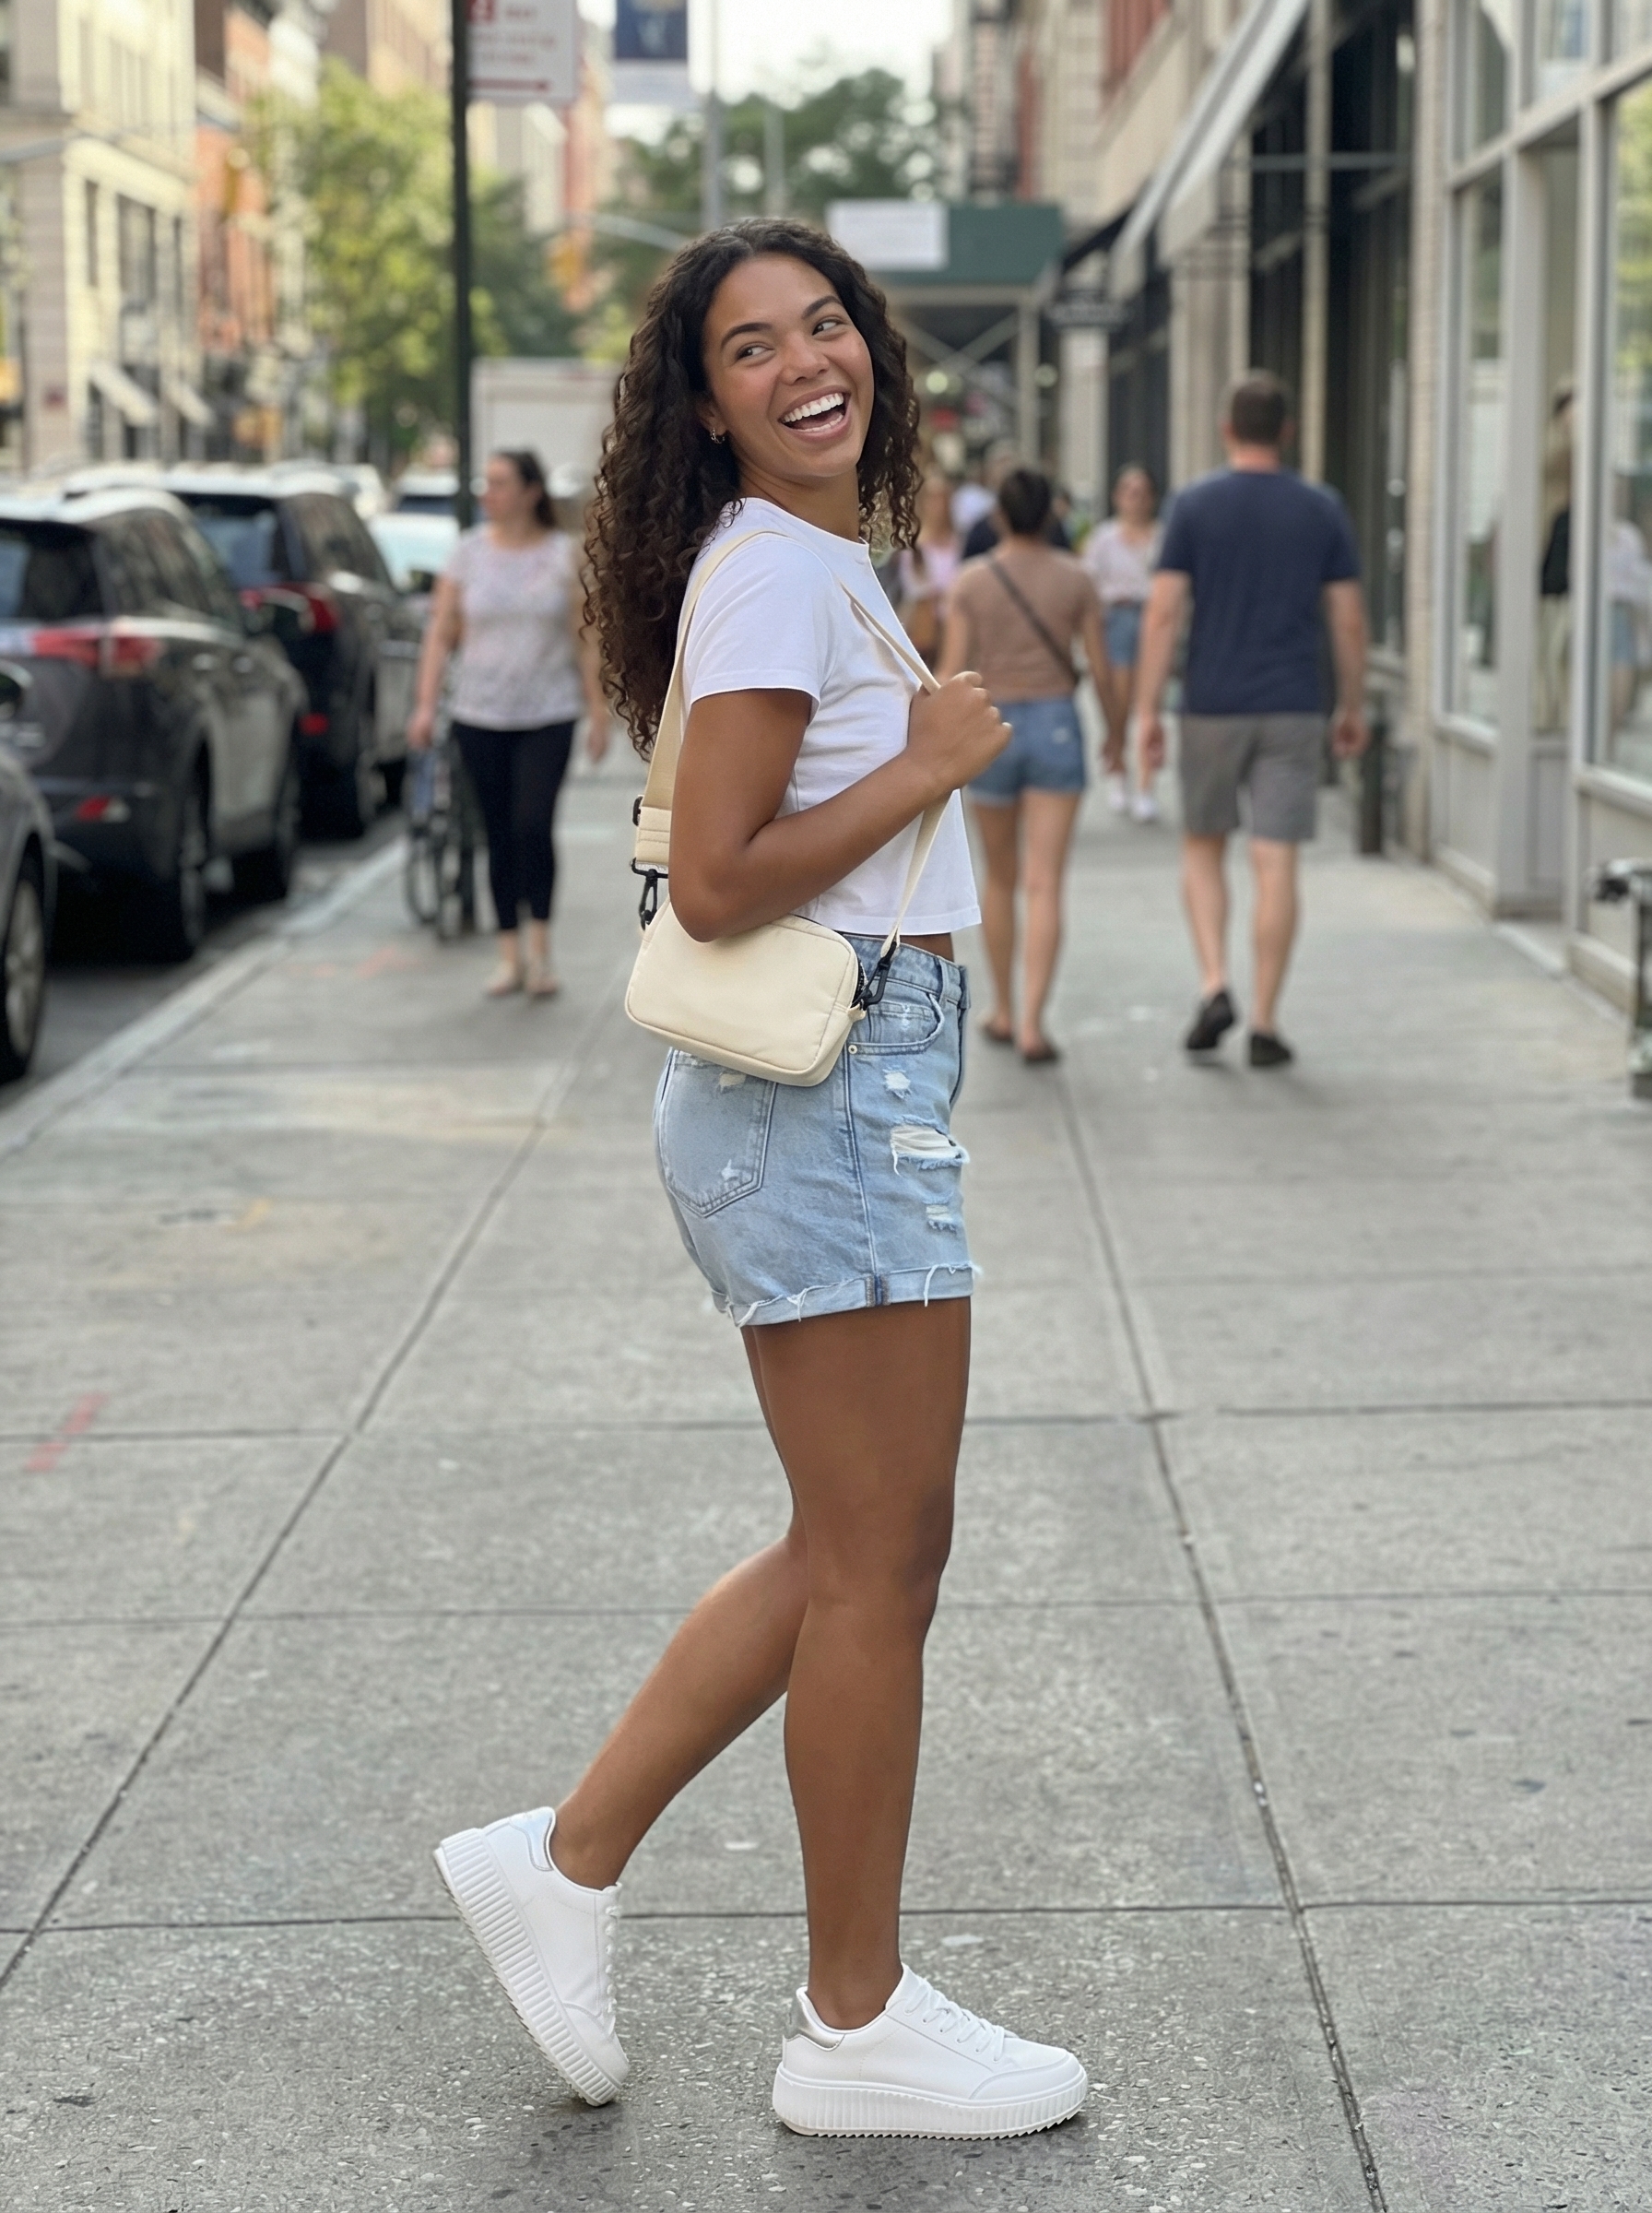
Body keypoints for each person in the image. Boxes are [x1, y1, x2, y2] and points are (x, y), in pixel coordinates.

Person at [432, 220, 1089, 2143]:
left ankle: (563, 1863)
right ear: (702, 403)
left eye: (825, 326)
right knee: (880, 1565)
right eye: (751, 346)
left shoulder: (794, 565)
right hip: (823, 1097)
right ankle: (852, 2023)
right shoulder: (780, 578)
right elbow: (717, 875)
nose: (807, 362)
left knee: (845, 1547)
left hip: (826, 1096)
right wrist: (937, 756)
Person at [1134, 373, 1368, 1067]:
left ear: (1227, 429)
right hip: (1294, 703)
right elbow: (1349, 619)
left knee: (1204, 847)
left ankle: (1215, 983)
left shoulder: (1195, 506)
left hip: (1210, 702)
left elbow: (1163, 612)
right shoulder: (1321, 508)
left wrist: (1146, 709)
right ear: (1287, 431)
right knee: (1276, 861)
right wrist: (1351, 703)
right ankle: (1265, 1022)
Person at [407, 448, 609, 998]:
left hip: (548, 711)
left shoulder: (562, 556)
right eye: (485, 483)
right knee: (497, 834)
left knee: (532, 826)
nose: (487, 493)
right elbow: (440, 634)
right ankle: (508, 955)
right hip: (480, 713)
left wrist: (597, 709)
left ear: (530, 492)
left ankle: (541, 953)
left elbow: (584, 638)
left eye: (499, 483)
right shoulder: (467, 555)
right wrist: (425, 705)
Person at [940, 467, 1110, 1063]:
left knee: (1001, 878)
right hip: (1058, 723)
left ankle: (1005, 1010)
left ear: (1000, 517)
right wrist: (1116, 731)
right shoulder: (1077, 579)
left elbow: (953, 672)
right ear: (1051, 516)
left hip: (994, 727)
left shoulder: (972, 581)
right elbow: (1100, 663)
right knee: (1045, 882)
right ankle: (1036, 1021)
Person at [1084, 464, 1162, 820]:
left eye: (1142, 492)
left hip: (1151, 617)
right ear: (1117, 497)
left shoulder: (1162, 536)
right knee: (1119, 703)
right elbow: (1088, 586)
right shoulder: (1103, 539)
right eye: (1129, 491)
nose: (1136, 499)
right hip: (1115, 619)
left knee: (1151, 703)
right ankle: (1119, 773)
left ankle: (1147, 785)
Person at [895, 471, 962, 665]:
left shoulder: (959, 541)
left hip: (952, 624)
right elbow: (914, 586)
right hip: (925, 627)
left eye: (942, 499)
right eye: (932, 499)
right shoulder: (915, 546)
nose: (937, 505)